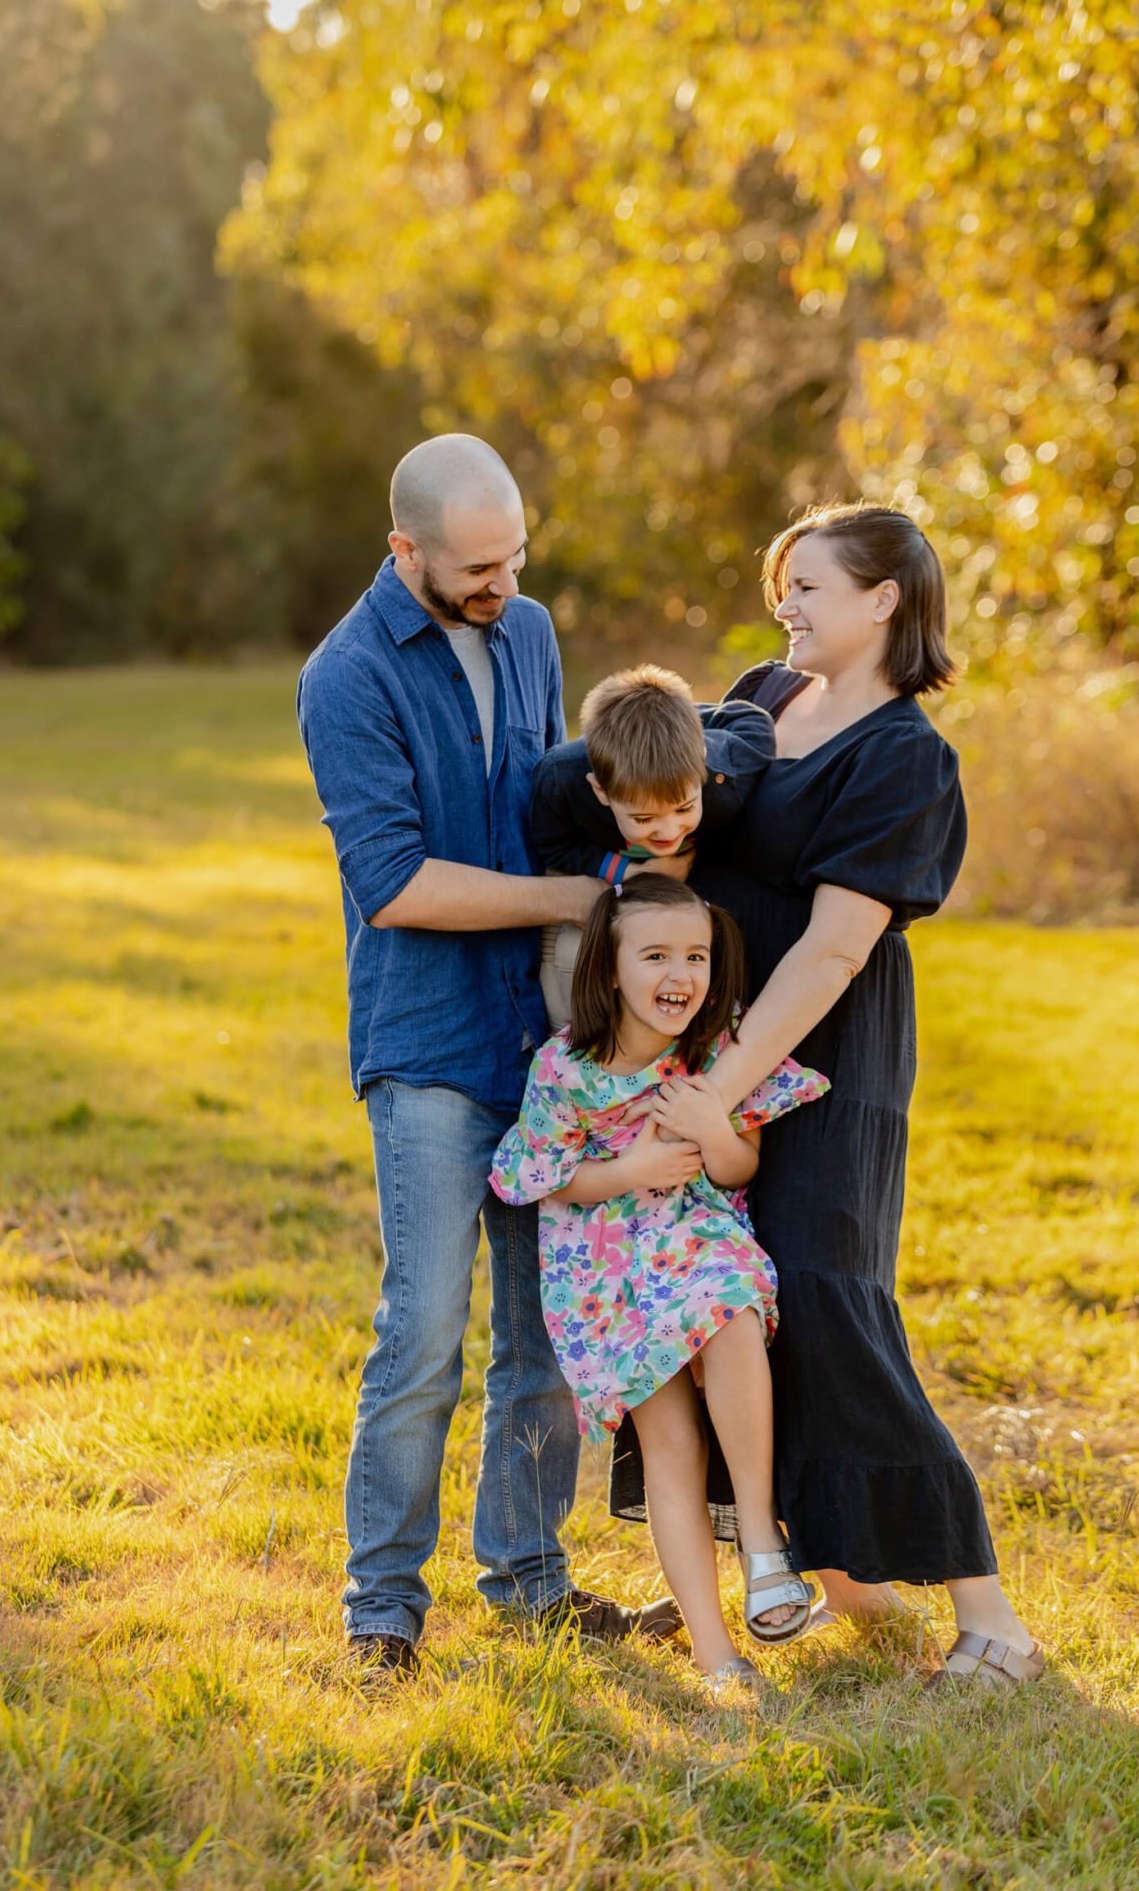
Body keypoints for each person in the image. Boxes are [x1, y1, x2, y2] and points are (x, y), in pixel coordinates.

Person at [296, 433, 678, 1680]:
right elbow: (395, 881)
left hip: (543, 1043)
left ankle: (528, 1579)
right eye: (474, 567)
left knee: (547, 1329)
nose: (501, 586)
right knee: (424, 1329)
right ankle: (382, 1608)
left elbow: (543, 788)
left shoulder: (528, 628)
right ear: (403, 549)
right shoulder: (344, 676)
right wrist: (568, 898)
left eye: (515, 557)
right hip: (426, 1044)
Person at [657, 503, 1045, 1692]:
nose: (789, 603)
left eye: (812, 584)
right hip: (710, 1039)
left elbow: (830, 953)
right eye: (784, 581)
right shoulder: (760, 696)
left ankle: (995, 1624)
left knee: (826, 1296)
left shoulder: (907, 758)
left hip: (826, 1059)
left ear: (885, 601)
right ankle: (818, 1573)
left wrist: (722, 1093)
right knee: (722, 1301)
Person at [489, 875, 828, 1691]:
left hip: (691, 1239)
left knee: (732, 1312)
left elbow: (741, 1164)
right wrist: (629, 1167)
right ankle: (715, 1656)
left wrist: (715, 1129)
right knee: (669, 1445)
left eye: (697, 956)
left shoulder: (713, 1053)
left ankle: (758, 1537)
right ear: (610, 970)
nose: (681, 975)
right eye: (655, 956)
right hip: (606, 1270)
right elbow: (537, 1175)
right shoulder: (564, 1067)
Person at [530, 663, 775, 1026]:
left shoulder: (726, 779)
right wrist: (631, 872)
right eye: (644, 819)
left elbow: (753, 721)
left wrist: (692, 726)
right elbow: (554, 847)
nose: (669, 831)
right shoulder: (559, 781)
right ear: (601, 790)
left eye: (684, 809)